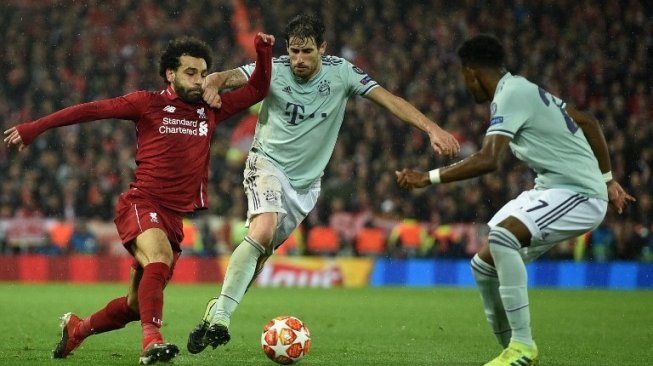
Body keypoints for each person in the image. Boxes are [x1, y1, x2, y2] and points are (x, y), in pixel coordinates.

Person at [187, 13, 460, 354]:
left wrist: (432, 128)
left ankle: (215, 311)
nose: (298, 60)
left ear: (323, 49)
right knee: (261, 231)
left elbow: (391, 100)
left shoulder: (342, 72)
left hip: (306, 186)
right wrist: (212, 83)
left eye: (307, 52)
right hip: (266, 163)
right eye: (294, 51)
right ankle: (223, 319)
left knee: (261, 253)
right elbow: (227, 76)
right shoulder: (274, 67)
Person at [4, 33, 273, 364]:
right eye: (191, 72)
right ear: (170, 74)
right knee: (158, 259)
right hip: (142, 203)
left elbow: (258, 90)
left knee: (135, 304)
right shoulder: (147, 103)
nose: (199, 80)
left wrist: (263, 53)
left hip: (173, 218)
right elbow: (90, 111)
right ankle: (152, 342)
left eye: (203, 73)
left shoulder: (210, 110)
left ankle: (78, 329)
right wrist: (35, 128)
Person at [395, 34, 635, 366]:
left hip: (578, 193)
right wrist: (610, 180)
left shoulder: (511, 94)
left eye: (464, 78)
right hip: (551, 189)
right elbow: (587, 121)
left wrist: (428, 177)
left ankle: (522, 347)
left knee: (503, 237)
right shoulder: (524, 89)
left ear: (472, 72)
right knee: (483, 263)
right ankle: (513, 352)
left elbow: (490, 159)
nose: (466, 86)